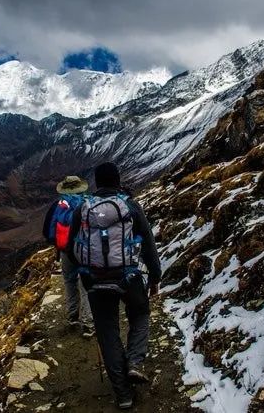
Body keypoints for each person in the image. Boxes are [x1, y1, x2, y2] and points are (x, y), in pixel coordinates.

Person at [68, 162, 161, 409]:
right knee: (140, 314)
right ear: (118, 181)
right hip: (128, 276)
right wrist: (155, 277)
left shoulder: (83, 209)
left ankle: (123, 395)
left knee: (108, 332)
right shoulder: (129, 206)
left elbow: (71, 247)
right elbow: (149, 244)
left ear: (97, 183)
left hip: (96, 280)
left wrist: (85, 275)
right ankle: (135, 363)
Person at [42, 176, 94, 336]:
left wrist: (59, 245)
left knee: (69, 281)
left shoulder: (58, 206)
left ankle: (73, 316)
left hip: (66, 251)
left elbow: (48, 232)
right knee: (86, 284)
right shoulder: (90, 203)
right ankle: (88, 322)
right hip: (85, 250)